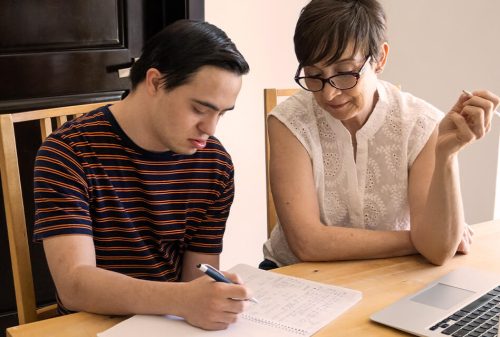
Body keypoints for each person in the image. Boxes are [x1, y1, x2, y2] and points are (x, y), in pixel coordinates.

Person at [33, 19, 251, 331]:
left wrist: (212, 298)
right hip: (90, 326)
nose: (210, 129)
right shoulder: (68, 152)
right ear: (155, 82)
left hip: (170, 325)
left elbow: (197, 278)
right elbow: (74, 286)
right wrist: (182, 299)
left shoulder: (213, 162)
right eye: (200, 109)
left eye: (221, 113)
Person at [261, 0, 500, 270]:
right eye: (314, 75)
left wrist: (446, 154)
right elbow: (307, 244)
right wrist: (418, 239)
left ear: (380, 59)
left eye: (344, 73)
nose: (329, 93)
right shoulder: (289, 120)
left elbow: (438, 252)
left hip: (388, 271)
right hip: (295, 275)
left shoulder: (420, 124)